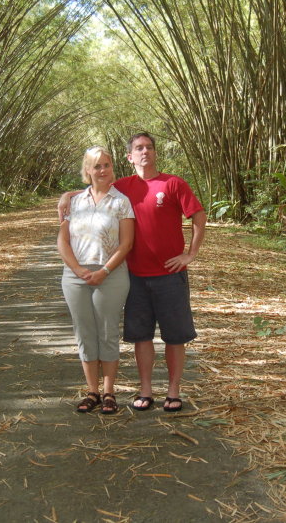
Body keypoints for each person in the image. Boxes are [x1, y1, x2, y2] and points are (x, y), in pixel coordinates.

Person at [59, 132, 206, 413]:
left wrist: (190, 253)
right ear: (129, 157)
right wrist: (68, 195)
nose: (145, 152)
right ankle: (146, 389)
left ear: (155, 153)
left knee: (175, 336)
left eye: (149, 147)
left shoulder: (172, 183)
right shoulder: (124, 187)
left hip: (169, 273)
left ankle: (173, 391)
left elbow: (198, 216)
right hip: (135, 274)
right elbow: (95, 188)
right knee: (142, 336)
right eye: (138, 148)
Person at [57, 146, 135, 414]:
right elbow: (62, 240)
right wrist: (78, 270)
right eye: (97, 166)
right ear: (87, 170)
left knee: (107, 331)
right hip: (75, 276)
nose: (103, 170)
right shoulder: (74, 202)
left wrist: (104, 270)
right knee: (84, 332)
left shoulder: (121, 201)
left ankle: (109, 392)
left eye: (107, 165)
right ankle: (92, 392)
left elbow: (126, 244)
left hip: (111, 274)